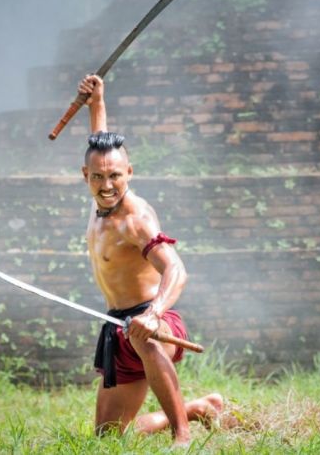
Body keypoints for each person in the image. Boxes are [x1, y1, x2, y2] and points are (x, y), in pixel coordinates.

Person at [77, 74, 223, 446]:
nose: (107, 185)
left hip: (155, 322)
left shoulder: (135, 219)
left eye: (115, 176)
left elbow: (176, 268)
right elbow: (101, 145)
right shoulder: (100, 197)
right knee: (107, 439)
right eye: (98, 177)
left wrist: (154, 313)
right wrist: (97, 102)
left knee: (145, 340)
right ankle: (196, 408)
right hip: (117, 325)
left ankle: (182, 437)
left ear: (129, 173)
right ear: (86, 175)